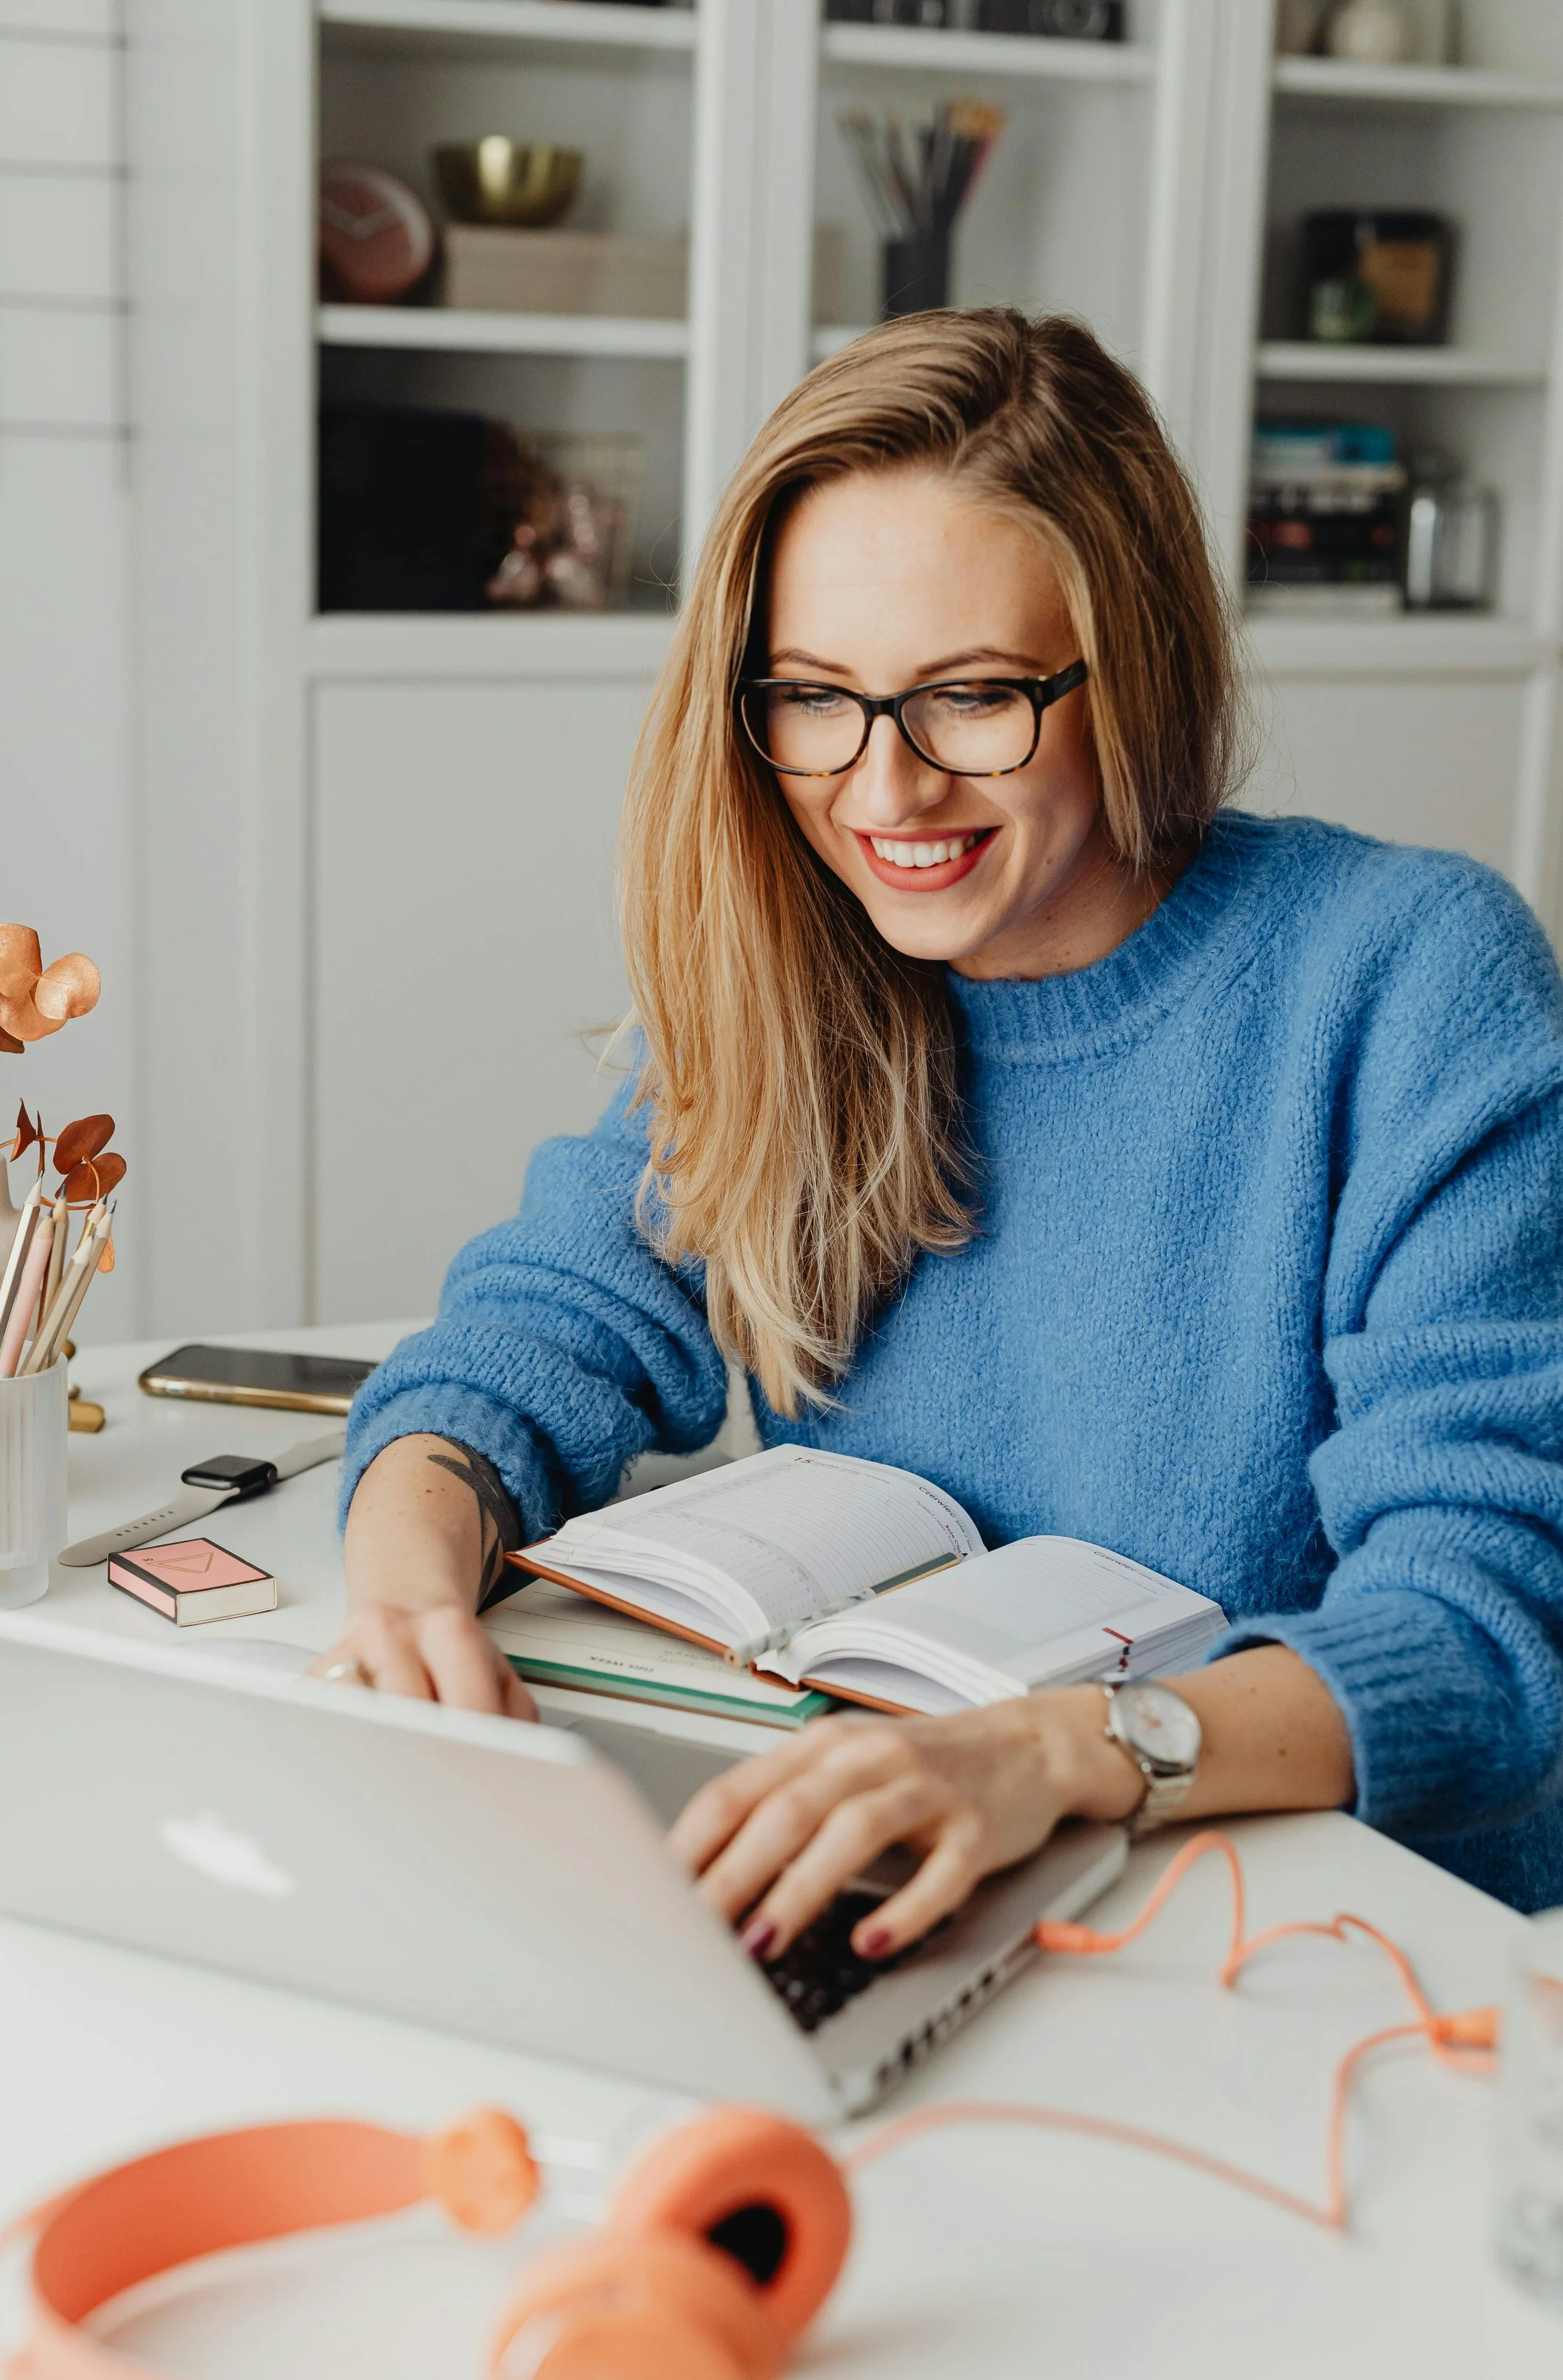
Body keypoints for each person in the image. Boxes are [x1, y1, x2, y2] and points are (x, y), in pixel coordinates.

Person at [314, 307, 1563, 1954]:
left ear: (1137, 666)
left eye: (971, 698)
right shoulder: (790, 960)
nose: (884, 793)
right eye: (814, 698)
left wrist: (1060, 1754)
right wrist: (408, 1572)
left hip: (1319, 1933)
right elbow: (534, 1334)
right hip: (905, 1872)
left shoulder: (1405, 978)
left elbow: (1486, 1631)